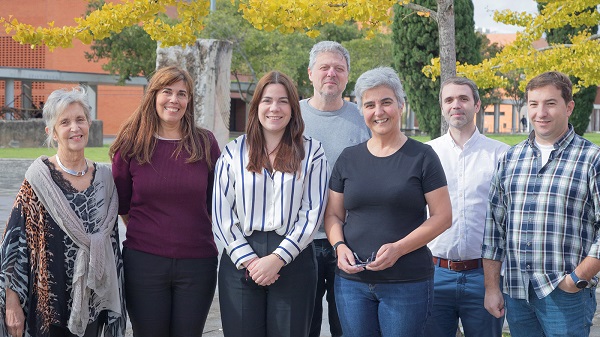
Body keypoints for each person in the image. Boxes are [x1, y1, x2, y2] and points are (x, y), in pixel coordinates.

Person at [324, 67, 452, 337]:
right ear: (361, 110)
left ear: (401, 106)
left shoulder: (423, 156)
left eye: (386, 102)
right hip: (352, 282)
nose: (378, 112)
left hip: (406, 282)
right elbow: (334, 215)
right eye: (369, 105)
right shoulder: (348, 158)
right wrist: (339, 246)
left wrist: (398, 249)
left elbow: (442, 216)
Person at [0, 87, 126, 337]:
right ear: (52, 132)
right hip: (47, 309)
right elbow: (14, 248)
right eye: (65, 122)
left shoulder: (106, 180)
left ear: (89, 124)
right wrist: (12, 304)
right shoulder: (37, 181)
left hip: (94, 303)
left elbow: (112, 247)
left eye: (80, 120)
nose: (74, 128)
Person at [482, 71, 600, 337]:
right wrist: (492, 287)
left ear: (568, 107)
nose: (540, 112)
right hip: (517, 294)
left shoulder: (592, 159)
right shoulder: (510, 159)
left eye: (550, 103)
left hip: (565, 295)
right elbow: (494, 229)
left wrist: (577, 278)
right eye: (533, 104)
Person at [213, 70, 328, 337]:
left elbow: (312, 213)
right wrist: (251, 262)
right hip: (240, 260)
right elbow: (221, 215)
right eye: (267, 100)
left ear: (293, 108)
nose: (274, 108)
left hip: (293, 259)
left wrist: (277, 259)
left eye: (283, 101)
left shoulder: (312, 152)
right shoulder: (232, 152)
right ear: (256, 106)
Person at [110, 66, 220, 337]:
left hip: (198, 263)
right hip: (144, 263)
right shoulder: (132, 144)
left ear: (189, 101)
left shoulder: (205, 143)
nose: (174, 99)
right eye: (167, 91)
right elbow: (122, 205)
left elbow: (215, 202)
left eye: (182, 94)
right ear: (153, 96)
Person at [424, 77, 508, 337]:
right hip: (434, 273)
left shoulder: (502, 155)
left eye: (463, 98)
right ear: (442, 107)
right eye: (448, 100)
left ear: (477, 105)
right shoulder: (426, 154)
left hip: (485, 277)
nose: (456, 105)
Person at [301, 40, 371, 337]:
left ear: (347, 76)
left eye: (338, 69)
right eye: (324, 67)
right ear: (310, 73)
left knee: (349, 326)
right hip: (300, 241)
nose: (331, 73)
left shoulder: (364, 117)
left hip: (349, 241)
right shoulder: (291, 115)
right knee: (304, 326)